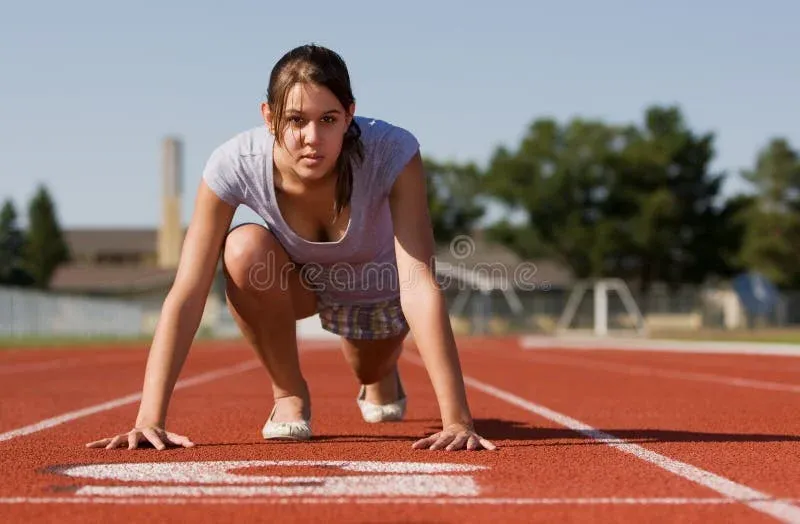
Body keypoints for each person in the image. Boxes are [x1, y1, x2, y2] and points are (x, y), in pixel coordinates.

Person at [86, 44, 496, 452]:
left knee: (369, 367)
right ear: (269, 116)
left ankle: (379, 377)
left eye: (328, 119)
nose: (312, 139)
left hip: (375, 286)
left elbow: (418, 283)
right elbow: (188, 291)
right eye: (296, 120)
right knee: (243, 249)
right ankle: (289, 395)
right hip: (297, 284)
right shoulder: (234, 163)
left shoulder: (392, 151)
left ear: (350, 114)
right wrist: (149, 419)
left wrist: (457, 419)